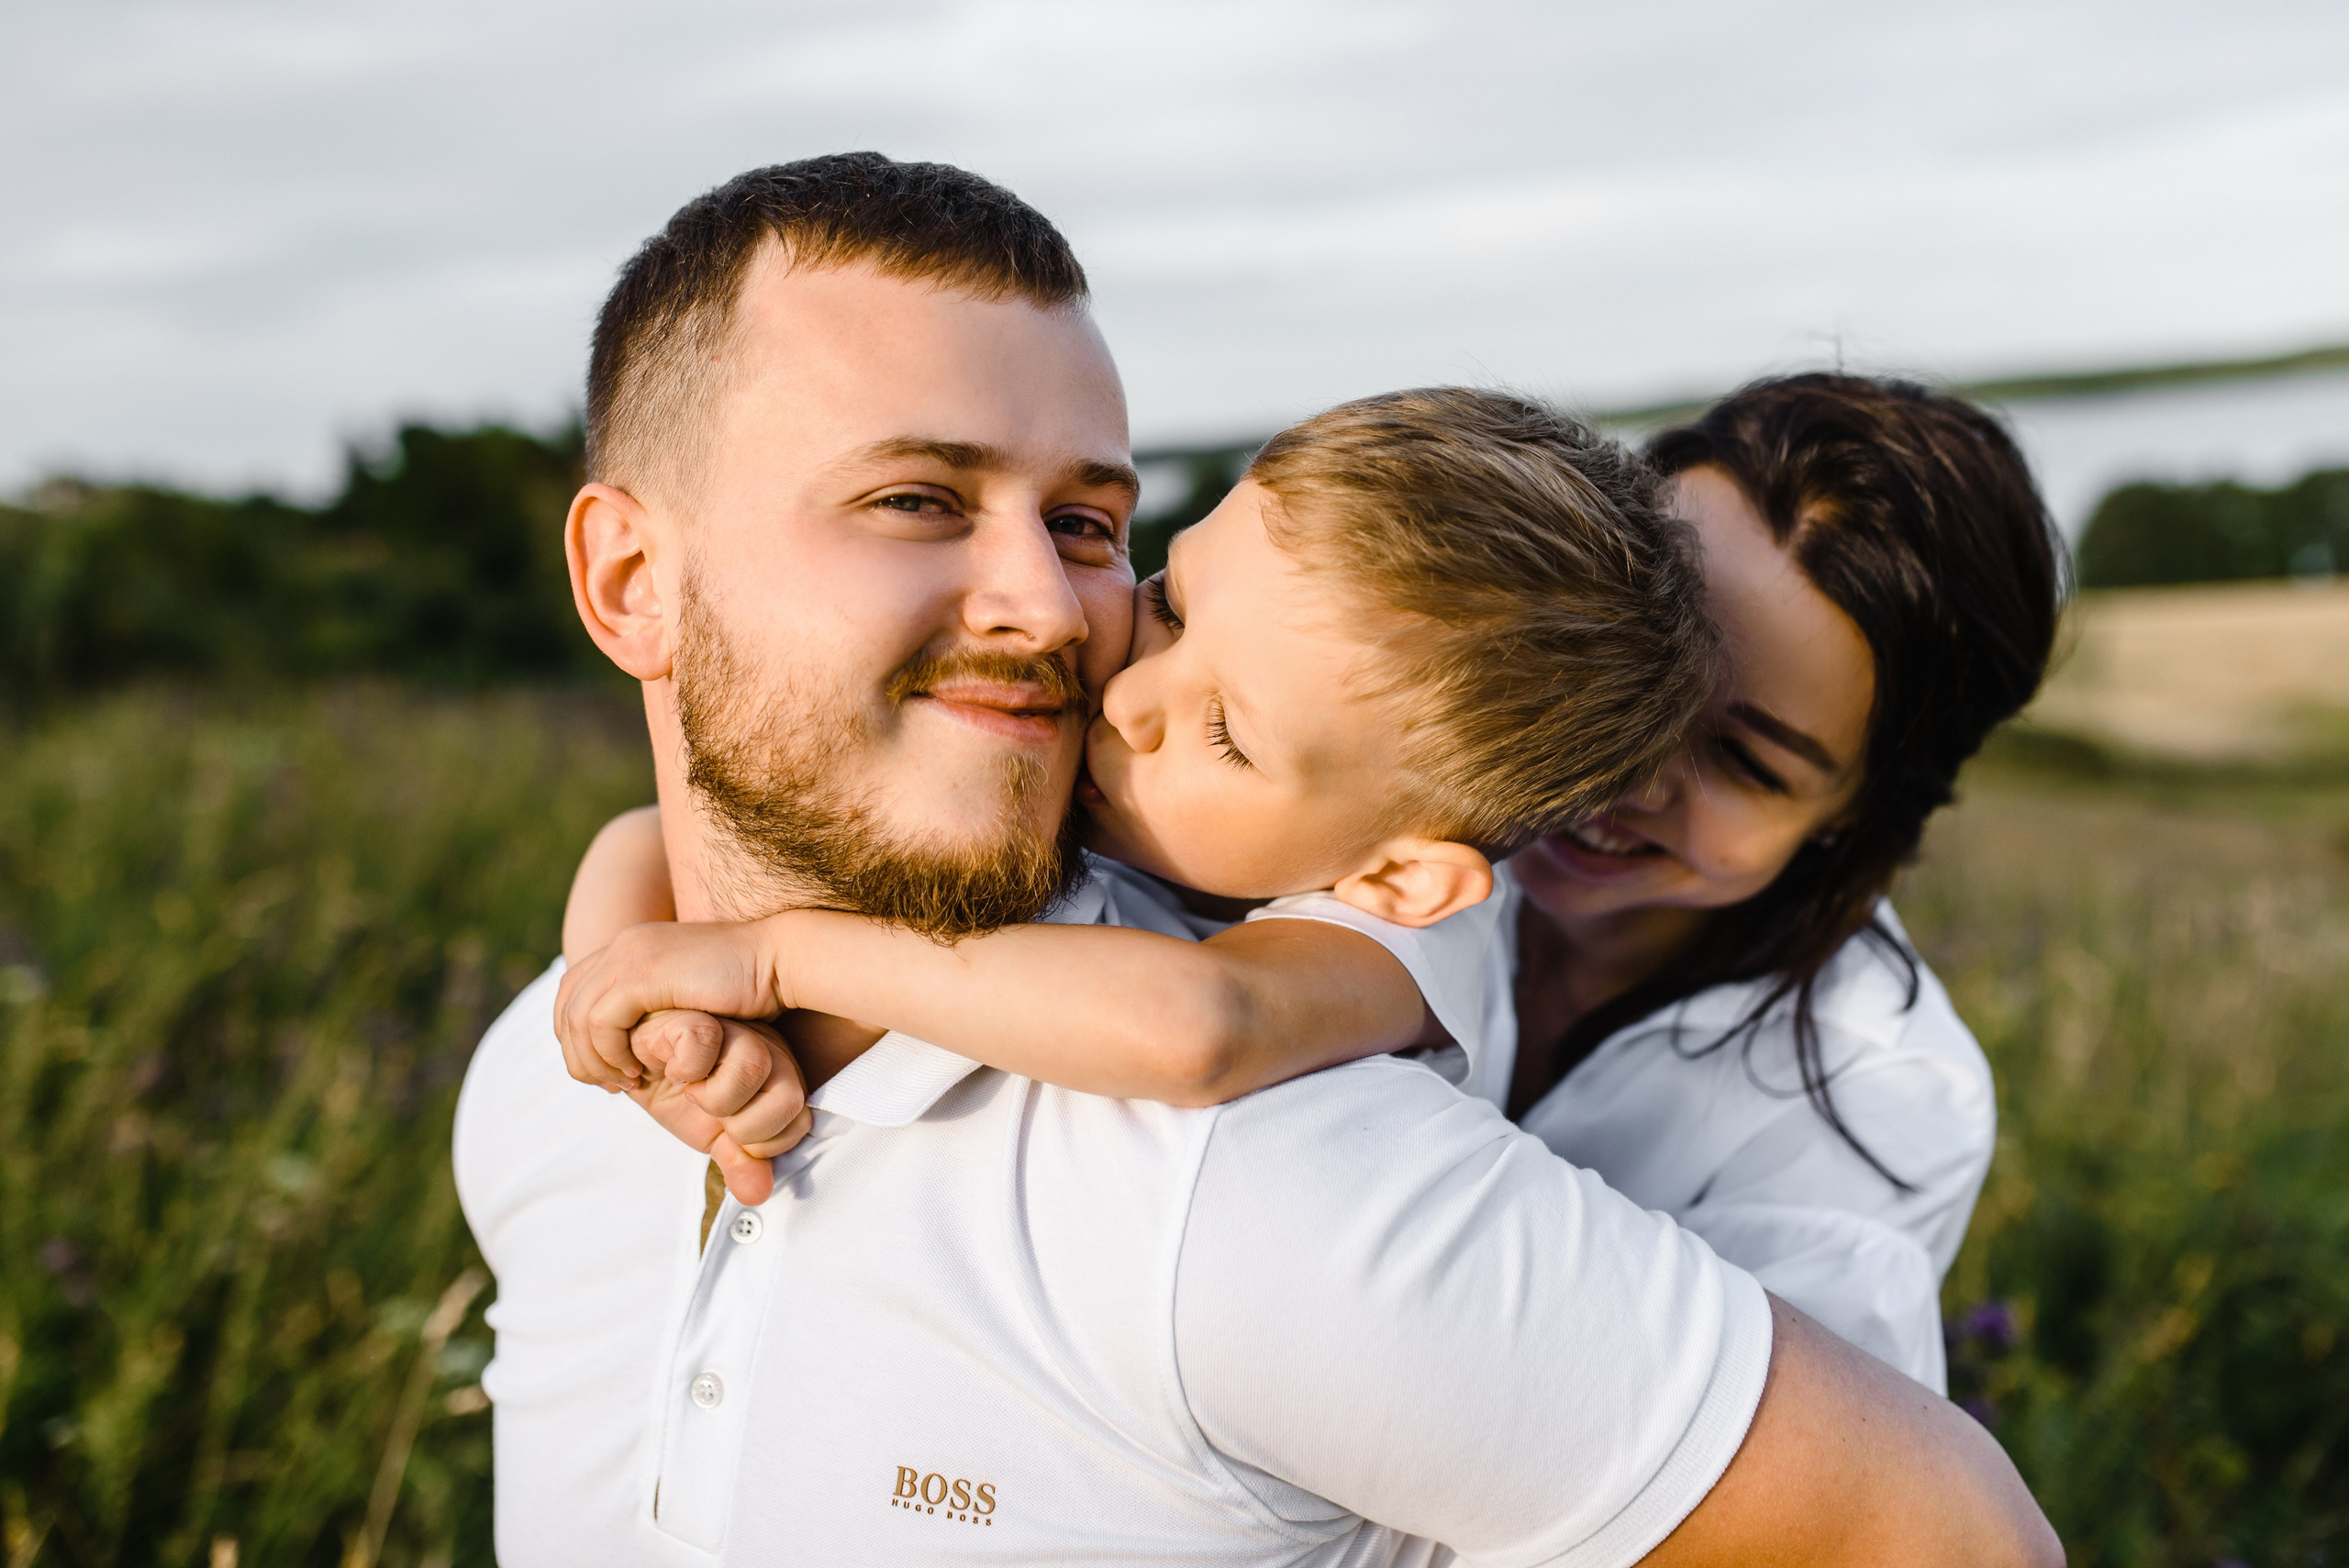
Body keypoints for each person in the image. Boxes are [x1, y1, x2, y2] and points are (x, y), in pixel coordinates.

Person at [452, 152, 2059, 1567]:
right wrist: (630, 983)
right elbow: (663, 848)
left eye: (1083, 523)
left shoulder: (1322, 1122)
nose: (1607, 793)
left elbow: (1202, 1031)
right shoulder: (542, 1084)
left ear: (1856, 816)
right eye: (918, 499)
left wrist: (764, 955)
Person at [552, 384, 1715, 1197]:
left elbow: (1191, 1026)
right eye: (1172, 602)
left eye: (1226, 732)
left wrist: (773, 960)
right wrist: (647, 1007)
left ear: (1401, 873)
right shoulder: (1167, 802)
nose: (1127, 696)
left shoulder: (1401, 944)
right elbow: (644, 834)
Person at [1507, 376, 2064, 1391]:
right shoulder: (1331, 763)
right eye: (1619, 655)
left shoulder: (1880, 1099)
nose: (1625, 770)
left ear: (1856, 812)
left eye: (1743, 760)